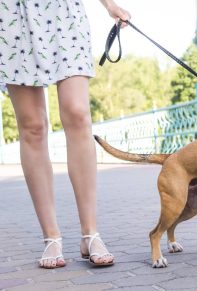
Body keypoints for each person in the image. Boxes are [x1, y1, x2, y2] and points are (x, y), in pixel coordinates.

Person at [0, 0, 131, 268]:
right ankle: (51, 237)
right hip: (13, 13)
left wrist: (109, 4)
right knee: (33, 126)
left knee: (78, 113)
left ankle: (90, 234)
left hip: (63, 10)